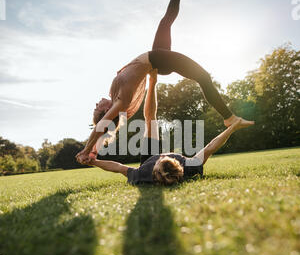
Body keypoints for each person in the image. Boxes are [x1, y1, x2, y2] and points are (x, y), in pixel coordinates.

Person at [76, 0, 254, 165]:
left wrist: (93, 148)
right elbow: (103, 126)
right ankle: (229, 117)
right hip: (157, 60)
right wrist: (87, 148)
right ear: (105, 111)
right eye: (97, 109)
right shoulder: (121, 102)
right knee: (203, 77)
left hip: (156, 61)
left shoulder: (114, 91)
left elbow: (103, 129)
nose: (96, 105)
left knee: (166, 22)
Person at [85, 71, 253, 185]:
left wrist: (95, 162)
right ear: (177, 163)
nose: (162, 156)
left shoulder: (144, 173)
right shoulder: (190, 166)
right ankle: (153, 81)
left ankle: (152, 82)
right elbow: (211, 146)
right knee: (151, 119)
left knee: (150, 120)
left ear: (155, 168)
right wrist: (232, 128)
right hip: (168, 168)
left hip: (146, 162)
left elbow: (118, 167)